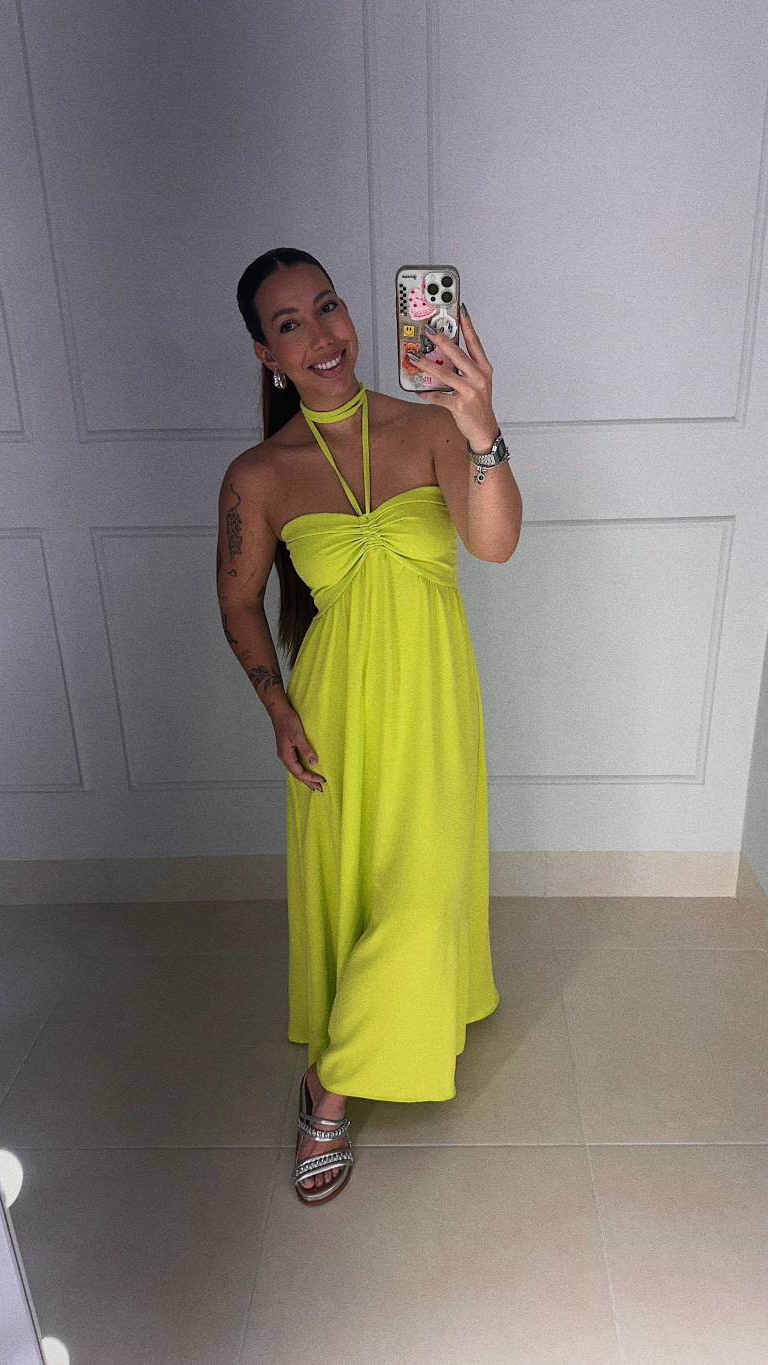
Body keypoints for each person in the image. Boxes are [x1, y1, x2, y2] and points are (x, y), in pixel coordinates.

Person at [218, 248, 522, 1204]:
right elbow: (237, 601)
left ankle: (329, 1087)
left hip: (432, 701)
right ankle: (352, 1062)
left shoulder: (430, 427)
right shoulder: (259, 474)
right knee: (363, 894)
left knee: (420, 894)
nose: (321, 335)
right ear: (265, 354)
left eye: (328, 306)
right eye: (290, 324)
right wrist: (276, 705)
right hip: (334, 713)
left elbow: (494, 543)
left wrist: (481, 423)